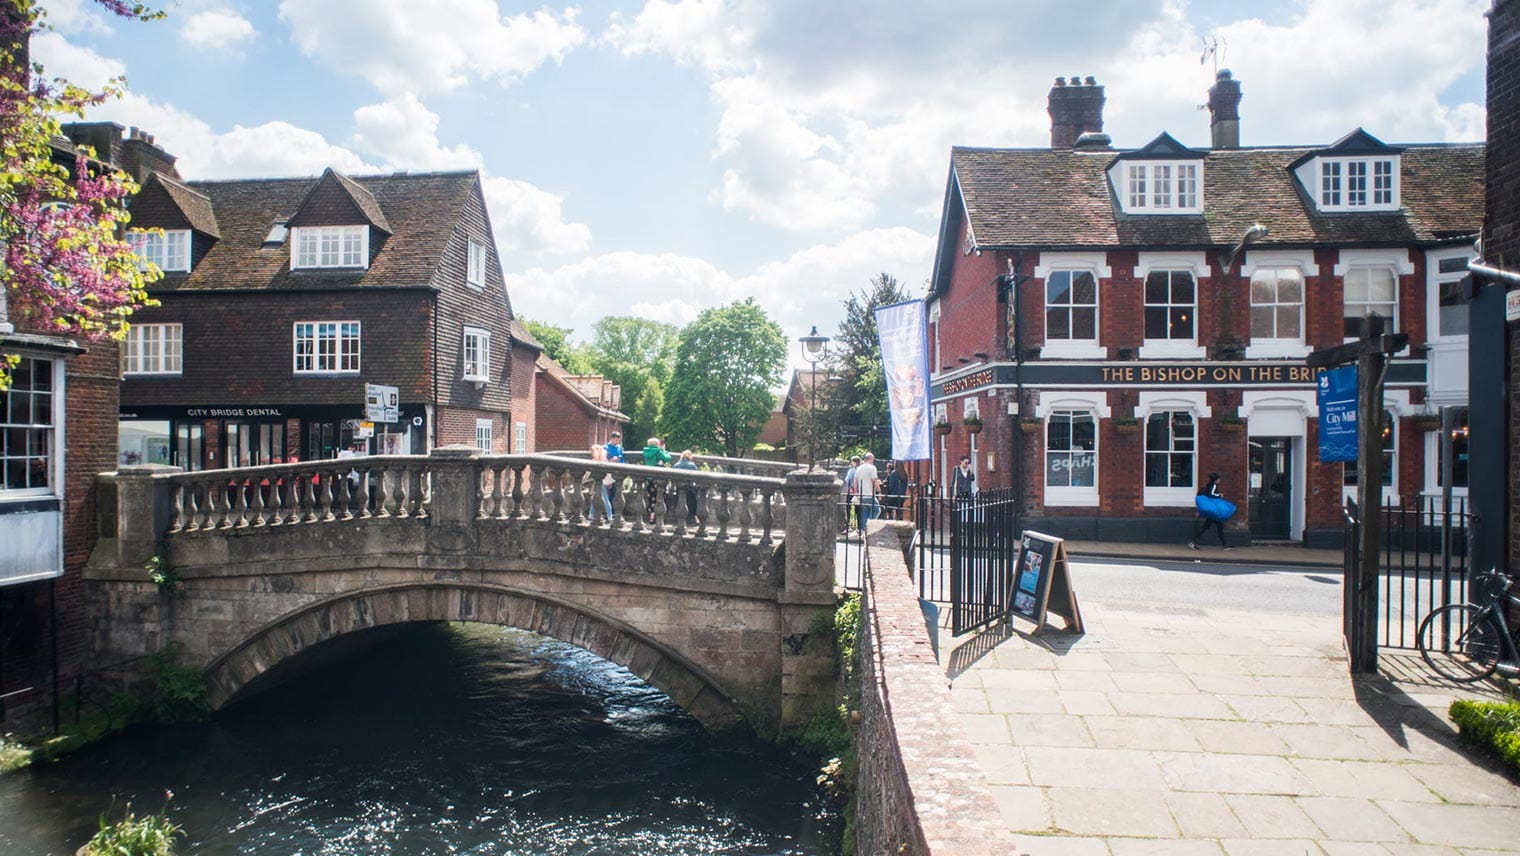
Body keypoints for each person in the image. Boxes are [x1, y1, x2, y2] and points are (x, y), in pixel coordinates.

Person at [1188, 471, 1231, 550]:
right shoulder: (1213, 485)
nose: (1219, 480)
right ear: (1215, 480)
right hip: (1213, 512)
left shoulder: (1209, 485)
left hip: (1213, 511)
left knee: (1211, 527)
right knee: (1216, 527)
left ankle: (1225, 544)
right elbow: (1211, 494)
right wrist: (1219, 495)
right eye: (1218, 479)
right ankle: (1225, 545)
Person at [641, 437, 672, 522]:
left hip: (649, 477)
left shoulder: (646, 451)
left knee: (651, 497)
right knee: (660, 496)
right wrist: (663, 450)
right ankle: (659, 517)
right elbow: (668, 458)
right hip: (658, 477)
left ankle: (651, 516)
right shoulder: (658, 452)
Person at [854, 453, 881, 534]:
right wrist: (879, 491)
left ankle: (863, 529)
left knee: (865, 512)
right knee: (877, 510)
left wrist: (856, 493)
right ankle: (868, 527)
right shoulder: (872, 468)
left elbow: (855, 482)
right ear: (871, 459)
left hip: (862, 495)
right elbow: (874, 481)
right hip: (870, 494)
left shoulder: (858, 468)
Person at [673, 449, 700, 524]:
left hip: (679, 487)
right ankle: (695, 517)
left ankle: (679, 519)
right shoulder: (693, 465)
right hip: (690, 488)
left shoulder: (676, 465)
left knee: (678, 501)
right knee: (693, 502)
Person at [589, 444, 614, 520]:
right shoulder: (604, 460)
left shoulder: (595, 461)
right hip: (602, 482)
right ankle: (591, 514)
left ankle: (609, 515)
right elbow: (609, 473)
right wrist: (610, 482)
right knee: (596, 498)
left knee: (604, 498)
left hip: (600, 482)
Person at [603, 432, 625, 515]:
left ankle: (615, 513)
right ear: (611, 438)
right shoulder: (605, 448)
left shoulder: (619, 448)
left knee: (616, 493)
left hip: (618, 472)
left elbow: (622, 458)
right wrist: (611, 461)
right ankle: (609, 514)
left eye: (618, 441)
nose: (617, 442)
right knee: (606, 495)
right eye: (616, 440)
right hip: (608, 473)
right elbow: (603, 460)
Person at [841, 455, 861, 535]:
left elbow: (847, 480)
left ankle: (848, 526)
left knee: (848, 508)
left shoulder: (852, 470)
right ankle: (859, 527)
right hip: (858, 492)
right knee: (858, 510)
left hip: (851, 492)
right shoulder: (860, 470)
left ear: (854, 462)